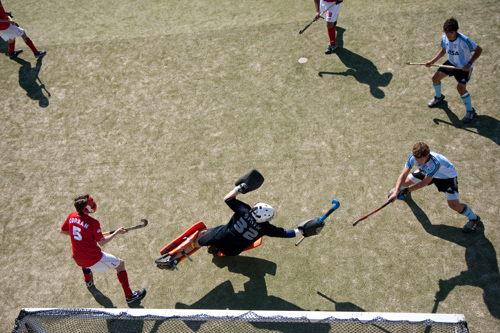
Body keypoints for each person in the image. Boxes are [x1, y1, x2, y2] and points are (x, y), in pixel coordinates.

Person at [156, 183, 309, 270]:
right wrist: (302, 231)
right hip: (232, 250)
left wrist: (239, 188)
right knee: (223, 248)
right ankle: (215, 250)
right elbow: (285, 233)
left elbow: (228, 198)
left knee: (196, 240)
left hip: (219, 235)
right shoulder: (266, 228)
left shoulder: (244, 210)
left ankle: (173, 259)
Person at [60, 194, 146, 304]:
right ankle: (130, 296)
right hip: (93, 258)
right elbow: (102, 242)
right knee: (120, 265)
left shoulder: (72, 215)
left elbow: (63, 231)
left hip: (77, 257)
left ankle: (88, 281)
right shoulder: (93, 223)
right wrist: (116, 233)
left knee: (83, 258)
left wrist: (85, 238)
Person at [388, 142, 481, 233]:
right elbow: (403, 174)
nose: (418, 163)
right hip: (427, 172)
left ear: (427, 155)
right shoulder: (413, 156)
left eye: (421, 160)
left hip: (446, 178)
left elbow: (424, 183)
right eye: (417, 160)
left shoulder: (435, 163)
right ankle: (401, 191)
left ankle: (474, 219)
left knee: (454, 205)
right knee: (404, 182)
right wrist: (396, 191)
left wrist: (407, 190)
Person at [426, 18, 482, 123]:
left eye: (451, 32)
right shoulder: (444, 38)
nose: (448, 35)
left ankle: (470, 111)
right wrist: (432, 61)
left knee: (460, 88)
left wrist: (469, 64)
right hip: (451, 63)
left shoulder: (464, 40)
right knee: (435, 78)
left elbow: (479, 50)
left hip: (463, 67)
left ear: (456, 31)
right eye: (447, 32)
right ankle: (439, 97)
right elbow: (443, 50)